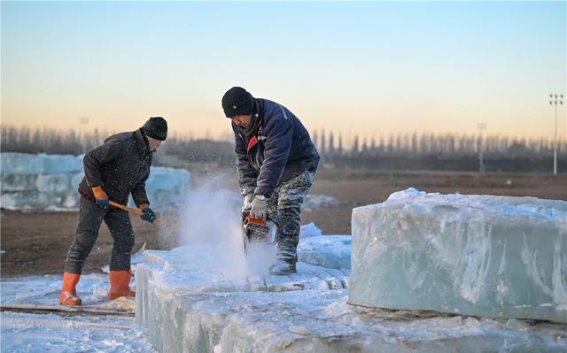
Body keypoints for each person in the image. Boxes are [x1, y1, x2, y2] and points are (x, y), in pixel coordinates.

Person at [59, 117, 167, 306]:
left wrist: (144, 206)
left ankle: (119, 289)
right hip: (93, 198)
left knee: (125, 239)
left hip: (117, 202)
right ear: (150, 136)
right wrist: (97, 189)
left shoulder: (147, 156)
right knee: (85, 240)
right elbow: (90, 159)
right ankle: (67, 291)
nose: (159, 146)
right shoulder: (122, 144)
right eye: (158, 141)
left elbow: (138, 183)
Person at [222, 87, 319, 275]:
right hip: (271, 172)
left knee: (286, 205)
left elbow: (275, 159)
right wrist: (250, 193)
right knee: (262, 214)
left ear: (249, 109)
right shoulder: (239, 125)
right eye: (232, 118)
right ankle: (257, 255)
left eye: (240, 116)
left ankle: (286, 257)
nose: (236, 121)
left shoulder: (276, 118)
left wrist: (261, 194)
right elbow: (243, 158)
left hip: (298, 165)